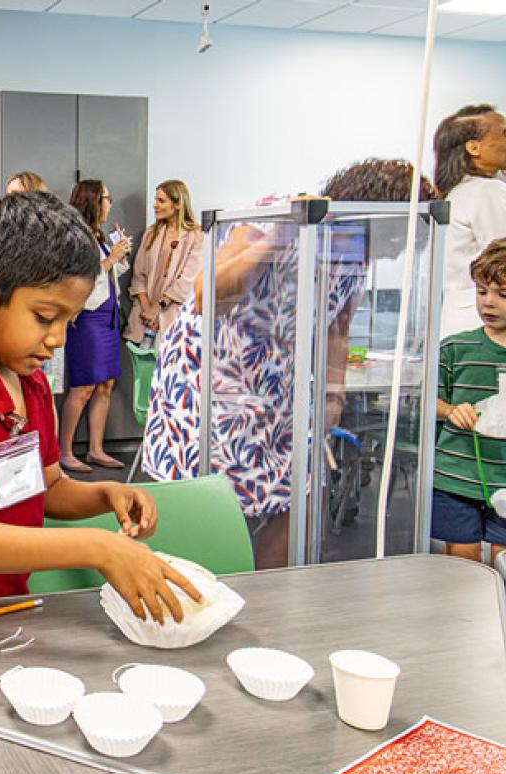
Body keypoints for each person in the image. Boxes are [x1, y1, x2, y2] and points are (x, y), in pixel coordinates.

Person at [0, 191, 200, 620]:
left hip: (5, 606)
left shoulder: (29, 383)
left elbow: (45, 488)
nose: (58, 339)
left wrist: (106, 494)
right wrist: (98, 547)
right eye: (45, 317)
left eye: (68, 321)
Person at [141, 158, 436, 569]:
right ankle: (201, 595)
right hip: (209, 379)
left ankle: (267, 603)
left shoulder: (355, 248)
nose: (398, 249)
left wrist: (334, 391)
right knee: (210, 500)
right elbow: (212, 295)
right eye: (398, 237)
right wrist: (274, 239)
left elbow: (339, 323)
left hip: (277, 386)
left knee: (297, 497)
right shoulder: (285, 213)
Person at [432, 237, 506, 564]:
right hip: (455, 480)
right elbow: (426, 402)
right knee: (463, 567)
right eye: (481, 292)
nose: (488, 303)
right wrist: (450, 410)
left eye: (502, 295)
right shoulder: (454, 349)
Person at [58, 179, 133, 472]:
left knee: (106, 384)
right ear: (92, 201)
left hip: (108, 316)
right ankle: (64, 451)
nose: (110, 203)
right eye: (106, 197)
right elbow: (75, 278)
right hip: (87, 318)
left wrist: (118, 255)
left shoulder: (98, 235)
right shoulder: (75, 237)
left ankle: (96, 449)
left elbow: (109, 271)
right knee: (84, 386)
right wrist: (109, 260)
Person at [433, 104, 506, 338]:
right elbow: (502, 259)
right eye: (503, 133)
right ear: (474, 148)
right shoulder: (487, 191)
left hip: (460, 321)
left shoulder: (460, 191)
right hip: (487, 325)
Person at [124, 180, 203, 348]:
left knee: (169, 371)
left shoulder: (195, 236)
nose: (155, 205)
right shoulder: (151, 233)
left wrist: (157, 309)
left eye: (161, 201)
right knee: (143, 371)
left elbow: (186, 281)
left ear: (178, 204)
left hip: (173, 318)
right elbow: (139, 276)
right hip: (144, 318)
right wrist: (147, 310)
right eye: (155, 200)